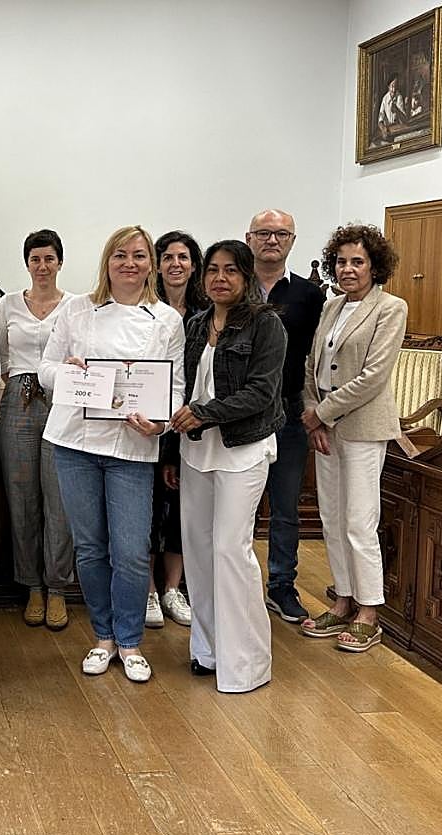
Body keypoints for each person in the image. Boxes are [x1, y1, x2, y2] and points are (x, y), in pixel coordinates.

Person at [38, 225, 185, 683]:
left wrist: (160, 423)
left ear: (151, 264)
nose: (129, 263)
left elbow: (175, 386)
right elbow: (42, 369)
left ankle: (130, 639)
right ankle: (103, 637)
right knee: (90, 548)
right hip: (76, 444)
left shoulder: (166, 320)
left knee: (132, 551)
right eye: (120, 254)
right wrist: (69, 372)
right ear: (107, 261)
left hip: (133, 446)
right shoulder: (77, 311)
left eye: (139, 255)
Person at [167, 240, 286, 693]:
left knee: (230, 551)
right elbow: (178, 385)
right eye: (213, 270)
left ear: (246, 276)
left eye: (231, 270)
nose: (220, 278)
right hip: (196, 451)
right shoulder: (195, 324)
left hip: (242, 450)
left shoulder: (266, 324)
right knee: (198, 552)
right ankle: (209, 649)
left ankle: (248, 663)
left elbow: (262, 393)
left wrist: (205, 413)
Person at [300, 223, 407, 653]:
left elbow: (372, 377)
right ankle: (343, 598)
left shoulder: (390, 308)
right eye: (341, 261)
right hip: (326, 426)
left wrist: (321, 414)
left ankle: (369, 611)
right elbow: (312, 364)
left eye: (357, 261)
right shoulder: (331, 307)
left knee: (360, 520)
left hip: (362, 427)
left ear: (374, 266)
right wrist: (315, 414)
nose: (348, 269)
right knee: (332, 516)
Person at [246, 209, 325, 624]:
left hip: (289, 413)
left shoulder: (309, 296)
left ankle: (281, 586)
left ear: (292, 241)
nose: (271, 240)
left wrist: (316, 408)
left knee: (285, 507)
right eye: (264, 233)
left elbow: (317, 358)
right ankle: (235, 585)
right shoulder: (233, 287)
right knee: (236, 508)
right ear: (249, 237)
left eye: (281, 234)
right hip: (239, 416)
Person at [0, 229, 75, 630]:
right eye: (35, 259)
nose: (42, 267)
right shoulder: (8, 305)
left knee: (59, 499)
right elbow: (1, 358)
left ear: (60, 262)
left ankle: (58, 587)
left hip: (64, 406)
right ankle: (32, 587)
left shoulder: (78, 306)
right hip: (19, 404)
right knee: (22, 497)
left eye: (49, 259)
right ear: (26, 263)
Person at [146, 230, 207, 630]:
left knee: (183, 512)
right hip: (149, 424)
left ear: (193, 265)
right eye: (167, 257)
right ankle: (149, 590)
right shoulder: (146, 309)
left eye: (183, 257)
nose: (175, 264)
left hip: (194, 424)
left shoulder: (208, 312)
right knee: (148, 510)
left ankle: (173, 589)